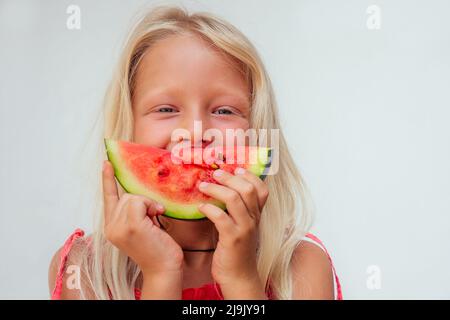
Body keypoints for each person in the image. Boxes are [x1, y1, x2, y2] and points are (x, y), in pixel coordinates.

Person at [48, 5, 342, 300]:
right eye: (166, 109)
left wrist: (241, 278)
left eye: (224, 110)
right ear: (129, 126)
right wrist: (161, 273)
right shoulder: (84, 270)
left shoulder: (302, 265)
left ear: (256, 131)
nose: (196, 131)